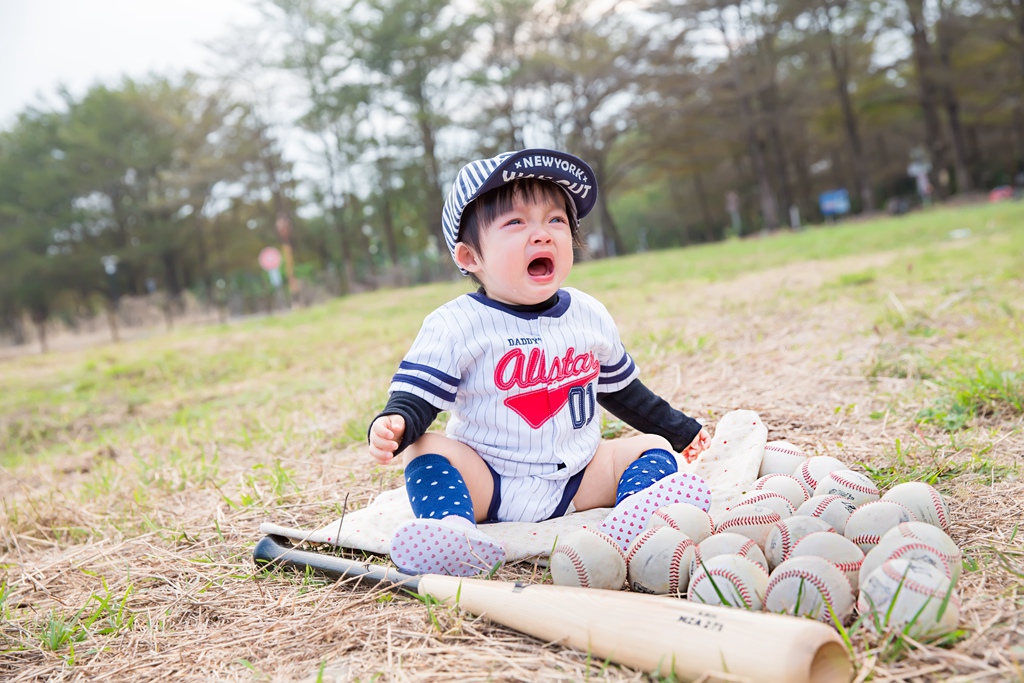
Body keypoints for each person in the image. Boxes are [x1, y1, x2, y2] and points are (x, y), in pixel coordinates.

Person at [368, 149, 713, 577]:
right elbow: (419, 398)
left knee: (652, 450)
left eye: (556, 220)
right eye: (516, 222)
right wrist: (397, 422)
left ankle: (632, 525)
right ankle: (453, 533)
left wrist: (678, 431)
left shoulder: (587, 315)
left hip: (578, 476)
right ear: (469, 258)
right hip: (489, 480)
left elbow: (624, 392)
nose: (543, 234)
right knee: (426, 448)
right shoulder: (456, 323)